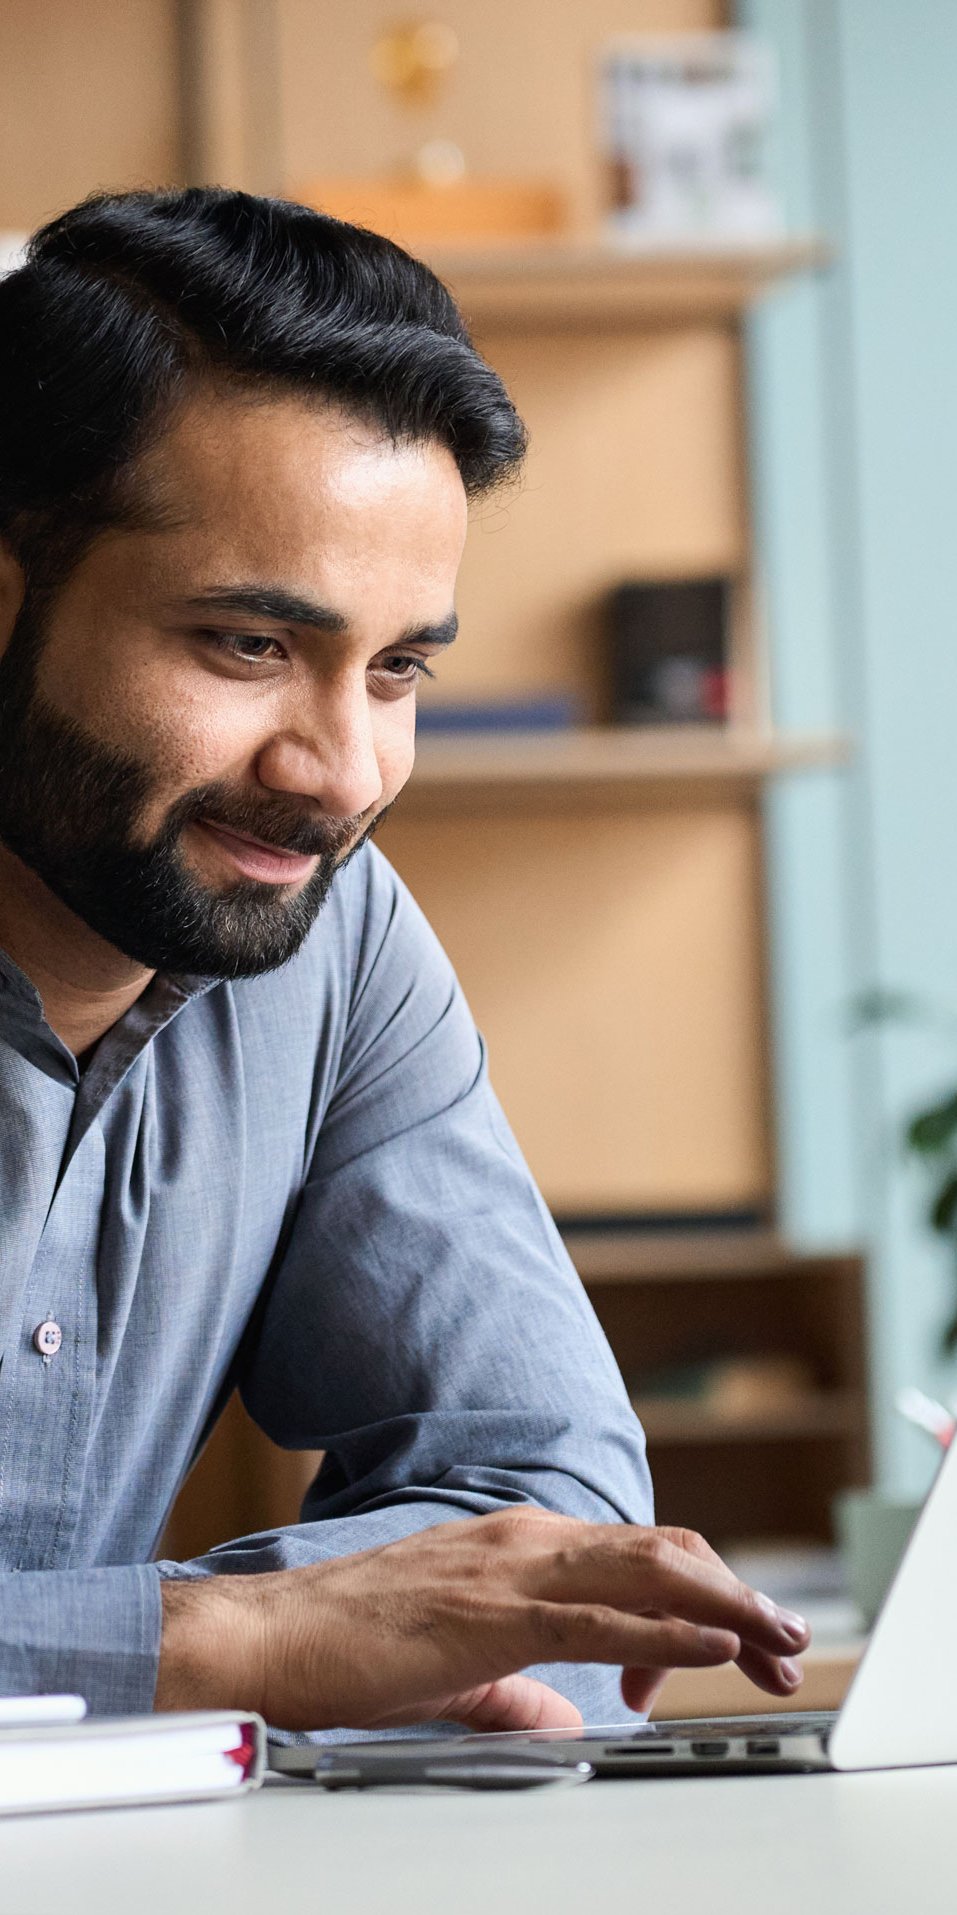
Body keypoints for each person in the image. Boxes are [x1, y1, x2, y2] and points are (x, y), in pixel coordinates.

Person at [0, 187, 809, 1735]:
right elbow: (313, 1635)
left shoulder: (325, 938)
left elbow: (545, 1500)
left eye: (397, 670)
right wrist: (225, 1647)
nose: (341, 770)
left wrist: (387, 1647)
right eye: (246, 645)